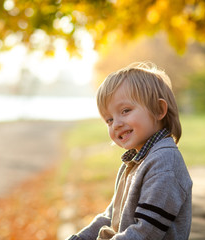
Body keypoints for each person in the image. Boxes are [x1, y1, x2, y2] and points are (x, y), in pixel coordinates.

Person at [67, 62, 192, 240]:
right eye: (109, 119)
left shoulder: (165, 163)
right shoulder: (135, 161)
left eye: (125, 111)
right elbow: (111, 218)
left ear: (159, 110)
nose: (116, 123)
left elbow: (145, 233)